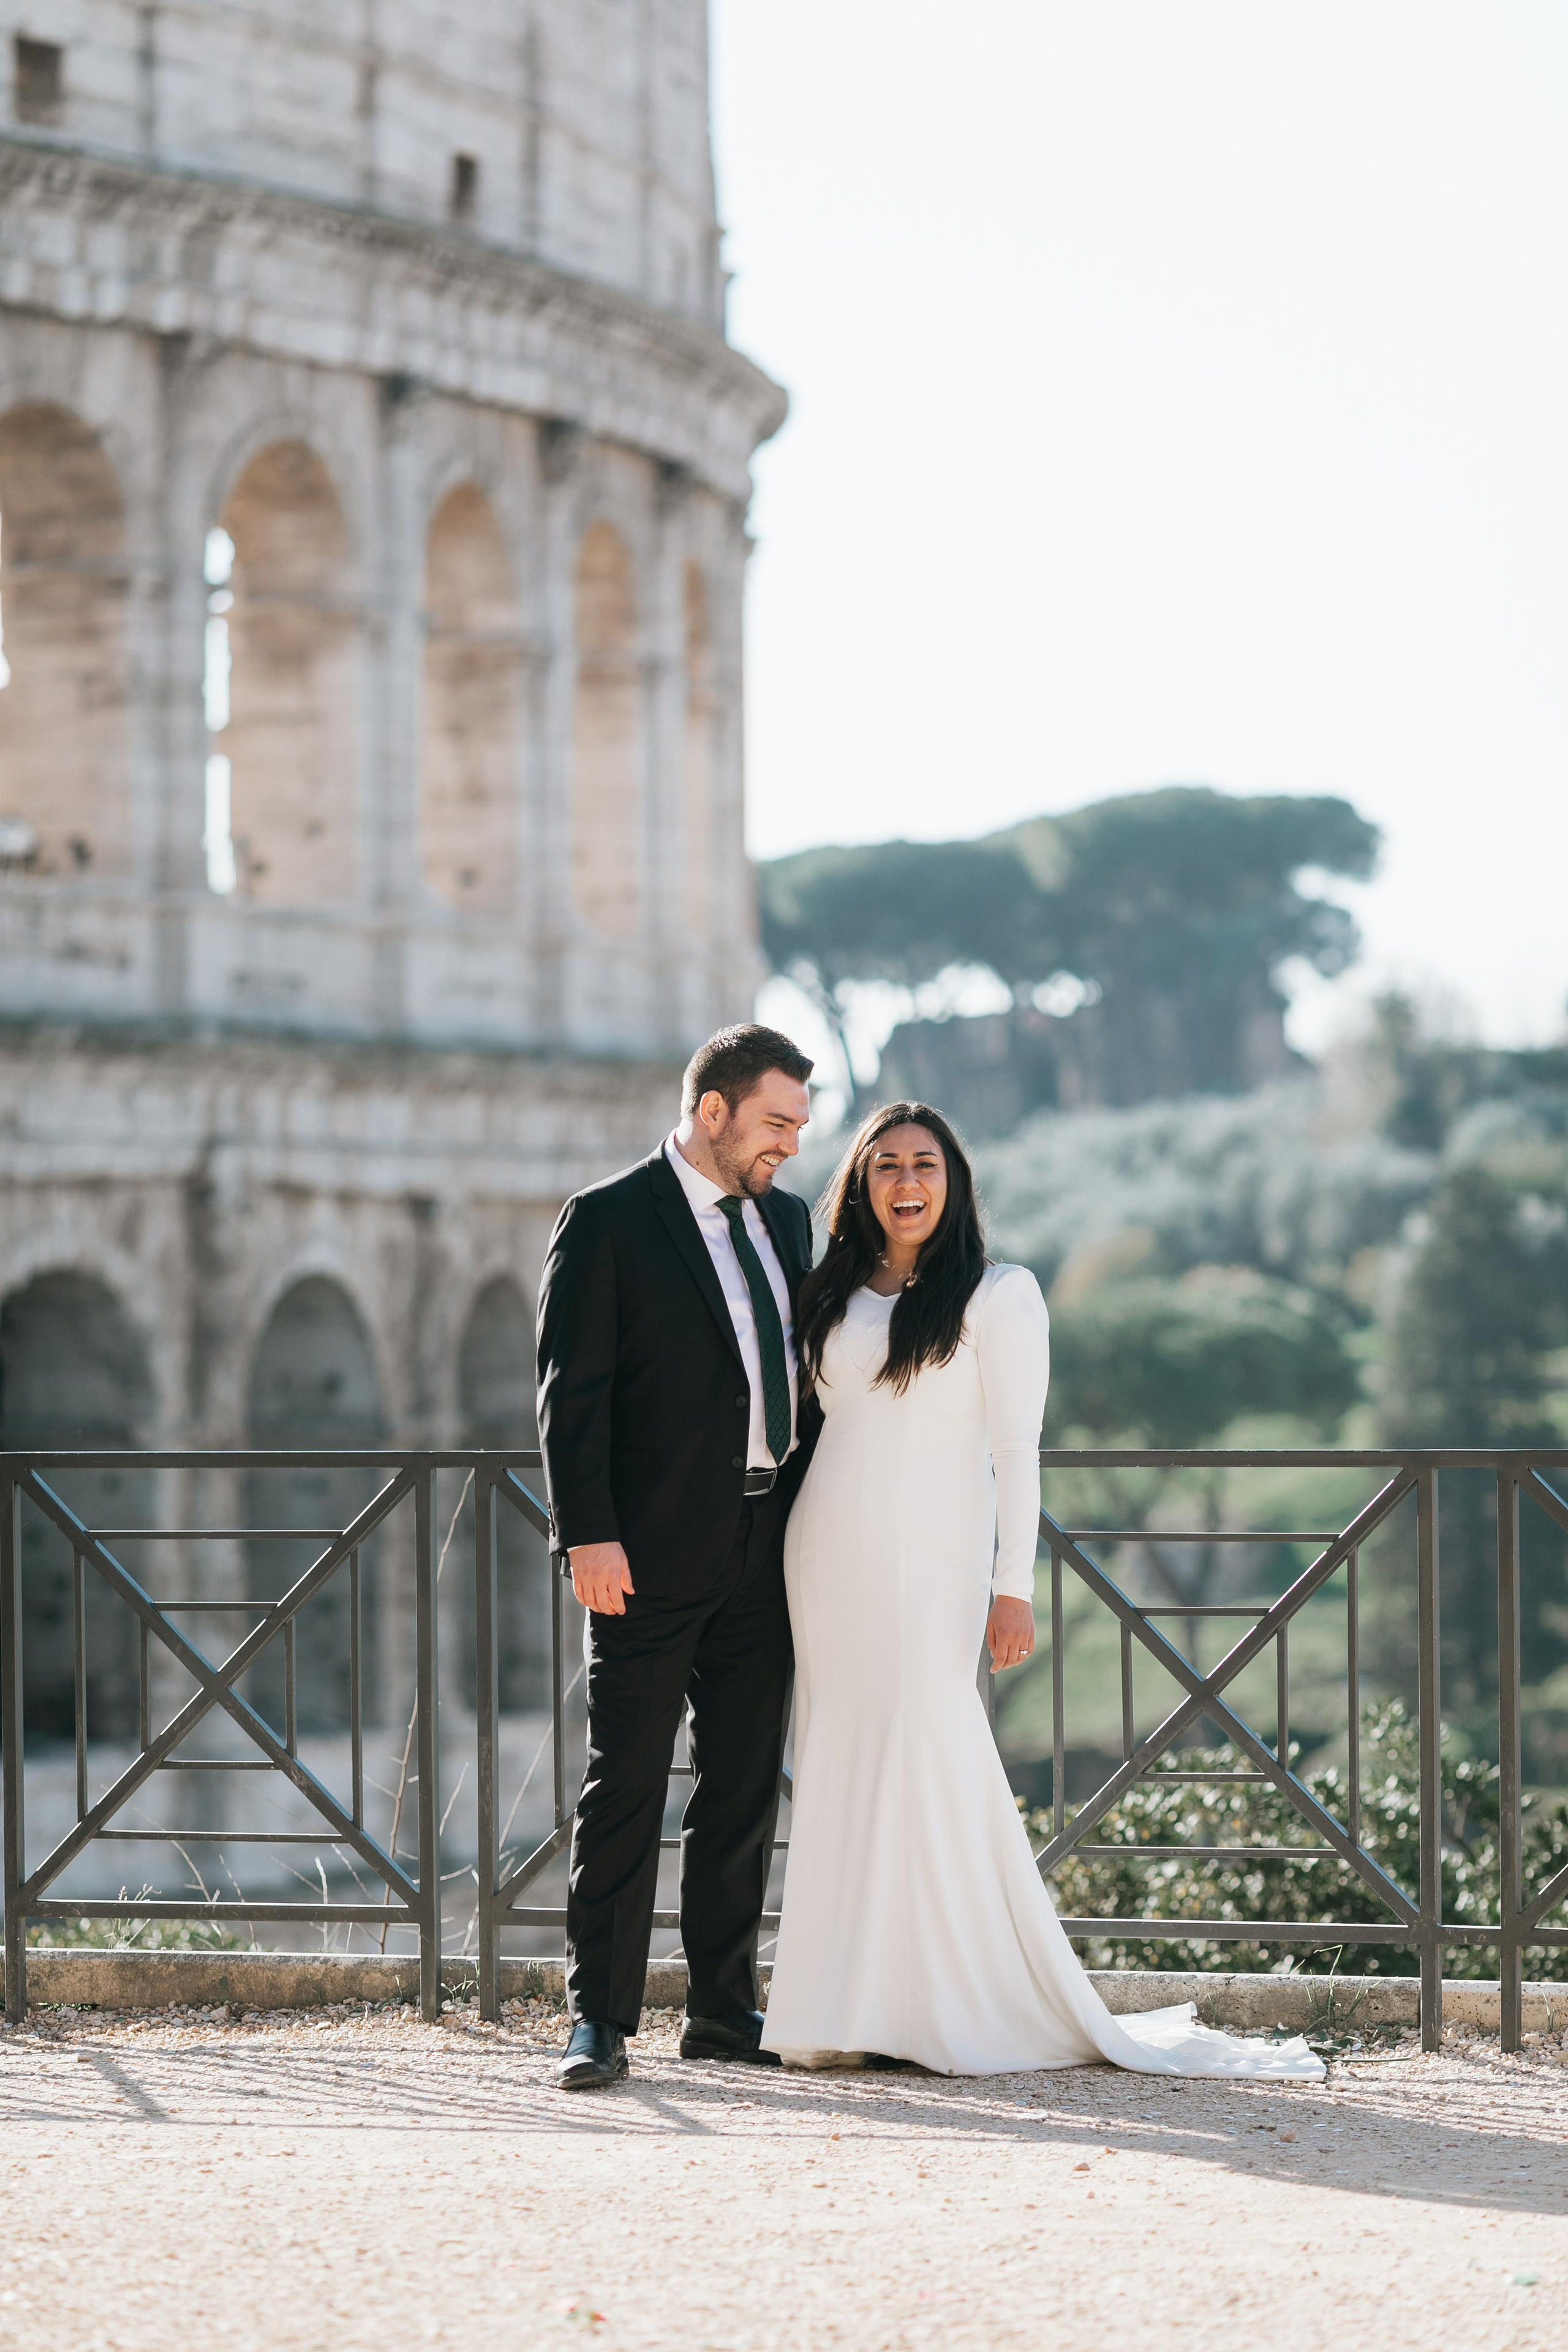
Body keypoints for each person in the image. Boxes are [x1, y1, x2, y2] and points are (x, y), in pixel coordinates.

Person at [760, 1099, 1324, 2082]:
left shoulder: (998, 1295)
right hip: (824, 1552)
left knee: (929, 1749)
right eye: (885, 1164)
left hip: (935, 1560)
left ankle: (949, 2003)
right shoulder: (831, 1292)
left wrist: (1009, 1588)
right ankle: (841, 2006)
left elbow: (1017, 1452)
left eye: (925, 1164)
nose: (905, 1182)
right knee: (841, 1758)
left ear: (955, 1181)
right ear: (859, 1184)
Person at [537, 1023, 815, 2089]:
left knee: (741, 1788)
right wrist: (586, 1532)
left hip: (766, 1542)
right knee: (626, 1786)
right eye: (777, 1122)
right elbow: (573, 1392)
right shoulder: (607, 1219)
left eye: (798, 1124)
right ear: (715, 1114)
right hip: (643, 1554)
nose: (790, 1143)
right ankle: (598, 2022)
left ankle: (722, 2009)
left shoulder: (787, 1222)